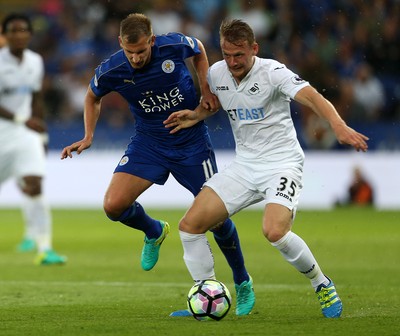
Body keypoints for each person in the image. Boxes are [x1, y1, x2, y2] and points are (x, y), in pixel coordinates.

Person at [164, 19, 369, 318]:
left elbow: (312, 96)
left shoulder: (273, 73)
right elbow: (219, 103)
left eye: (239, 55)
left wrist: (338, 126)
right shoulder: (218, 72)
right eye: (227, 54)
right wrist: (195, 115)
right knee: (190, 227)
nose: (232, 62)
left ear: (254, 49)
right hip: (244, 166)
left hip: (282, 164)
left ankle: (321, 283)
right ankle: (205, 297)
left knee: (274, 231)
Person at [60, 13, 255, 316]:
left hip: (191, 143)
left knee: (216, 219)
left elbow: (199, 49)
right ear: (120, 44)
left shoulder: (172, 46)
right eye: (130, 52)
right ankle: (153, 231)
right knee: (113, 206)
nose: (136, 58)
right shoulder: (112, 69)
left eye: (141, 50)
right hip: (149, 142)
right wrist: (88, 136)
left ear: (152, 40)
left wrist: (205, 88)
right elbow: (92, 97)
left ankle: (242, 280)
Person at [0, 13, 66, 265]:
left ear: (29, 34)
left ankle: (45, 248)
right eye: (13, 31)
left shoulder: (35, 62)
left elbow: (36, 99)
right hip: (4, 131)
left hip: (24, 134)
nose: (19, 35)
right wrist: (21, 118)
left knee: (35, 183)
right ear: (5, 35)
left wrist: (41, 132)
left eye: (23, 30)